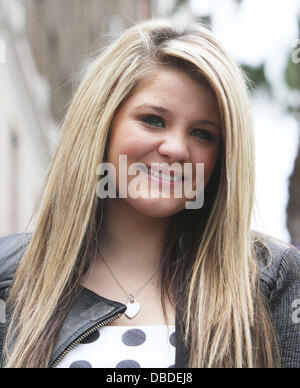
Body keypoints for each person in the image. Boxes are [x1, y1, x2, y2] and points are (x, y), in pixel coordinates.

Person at [0, 18, 300, 369]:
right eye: (154, 120)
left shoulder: (269, 282)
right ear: (102, 124)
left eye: (203, 134)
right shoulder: (11, 275)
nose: (176, 148)